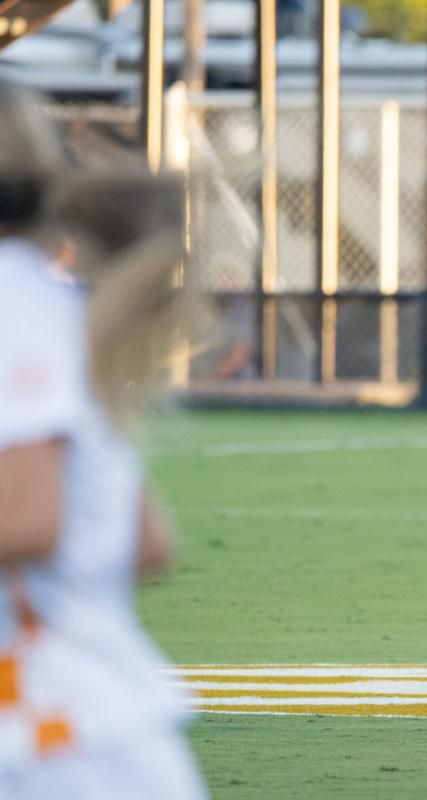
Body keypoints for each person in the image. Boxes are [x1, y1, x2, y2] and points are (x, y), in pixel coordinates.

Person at [0, 80, 207, 797]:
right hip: (90, 739)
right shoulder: (40, 299)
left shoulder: (12, 303)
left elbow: (28, 521)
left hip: (53, 748)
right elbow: (146, 541)